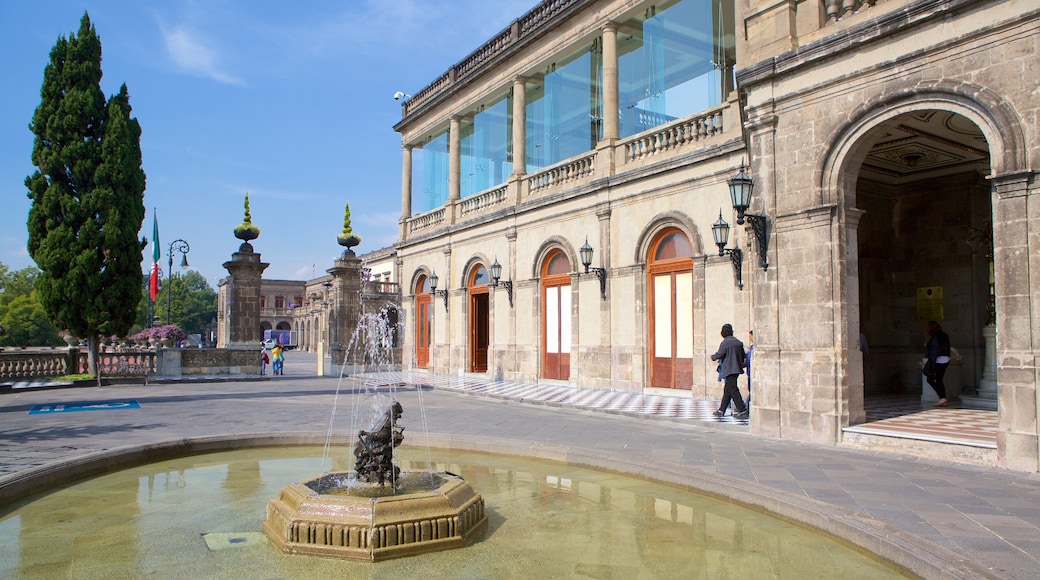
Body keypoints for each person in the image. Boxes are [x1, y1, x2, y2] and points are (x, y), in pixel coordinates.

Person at [711, 323, 748, 419]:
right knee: (727, 390)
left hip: (729, 369)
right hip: (737, 370)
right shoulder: (738, 342)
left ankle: (742, 409)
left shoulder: (725, 343)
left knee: (733, 390)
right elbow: (744, 356)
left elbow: (719, 354)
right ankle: (721, 410)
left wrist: (712, 357)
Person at [923, 320, 951, 407]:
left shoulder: (935, 337)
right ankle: (943, 399)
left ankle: (942, 398)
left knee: (930, 379)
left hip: (938, 359)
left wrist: (931, 361)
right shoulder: (945, 335)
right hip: (946, 359)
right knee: (939, 379)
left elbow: (935, 350)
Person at [744, 330, 754, 408]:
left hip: (752, 373)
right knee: (751, 390)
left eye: (750, 336)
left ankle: (747, 407)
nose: (750, 338)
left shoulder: (753, 349)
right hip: (749, 372)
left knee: (752, 391)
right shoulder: (751, 348)